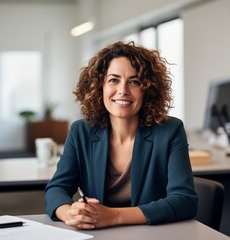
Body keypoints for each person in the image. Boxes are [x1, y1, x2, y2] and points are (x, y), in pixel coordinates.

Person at [45, 41, 197, 229]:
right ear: (99, 86)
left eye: (134, 82)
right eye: (114, 80)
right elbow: (56, 189)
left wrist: (114, 216)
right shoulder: (81, 132)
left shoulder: (170, 130)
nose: (123, 90)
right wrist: (72, 214)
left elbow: (184, 201)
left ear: (147, 89)